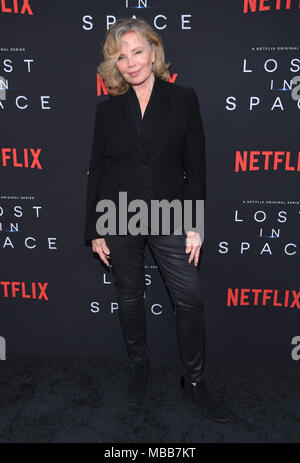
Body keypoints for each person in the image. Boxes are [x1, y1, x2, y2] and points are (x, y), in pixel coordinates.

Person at [84, 17, 231, 423]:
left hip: (170, 213)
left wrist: (195, 224)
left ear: (154, 51)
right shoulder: (108, 111)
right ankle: (139, 366)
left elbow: (195, 166)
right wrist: (96, 226)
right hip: (119, 213)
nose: (130, 63)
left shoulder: (183, 99)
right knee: (129, 297)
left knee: (190, 299)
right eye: (121, 56)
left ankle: (196, 382)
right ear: (114, 65)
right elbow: (98, 170)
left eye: (136, 51)